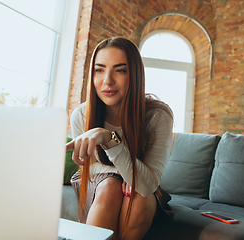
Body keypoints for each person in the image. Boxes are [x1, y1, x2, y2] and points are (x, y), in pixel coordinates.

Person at [65, 36, 174, 240]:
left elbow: (148, 184)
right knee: (110, 186)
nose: (107, 80)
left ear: (135, 75)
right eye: (99, 69)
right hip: (97, 184)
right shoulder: (82, 114)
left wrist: (110, 140)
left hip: (142, 190)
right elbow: (89, 167)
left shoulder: (158, 116)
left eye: (120, 70)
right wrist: (123, 173)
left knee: (139, 197)